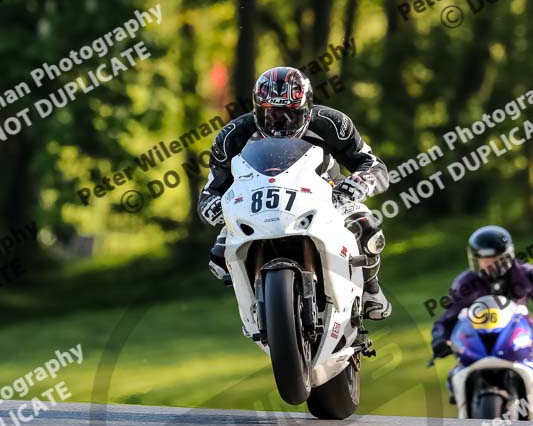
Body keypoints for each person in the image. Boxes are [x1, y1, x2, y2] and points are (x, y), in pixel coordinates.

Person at [197, 66, 391, 320]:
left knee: (366, 227)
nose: (280, 123)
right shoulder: (233, 136)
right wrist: (212, 205)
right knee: (219, 255)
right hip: (257, 203)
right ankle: (254, 308)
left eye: (291, 115)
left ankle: (371, 290)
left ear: (307, 110)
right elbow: (211, 189)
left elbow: (373, 165)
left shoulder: (332, 123)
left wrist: (358, 183)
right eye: (271, 114)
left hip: (328, 196)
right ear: (256, 110)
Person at [431, 225, 533, 357]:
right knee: (457, 376)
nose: (488, 264)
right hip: (477, 345)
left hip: (521, 341)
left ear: (507, 256)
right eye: (483, 260)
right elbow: (448, 317)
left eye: (495, 259)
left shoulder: (526, 274)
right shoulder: (465, 283)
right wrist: (440, 339)